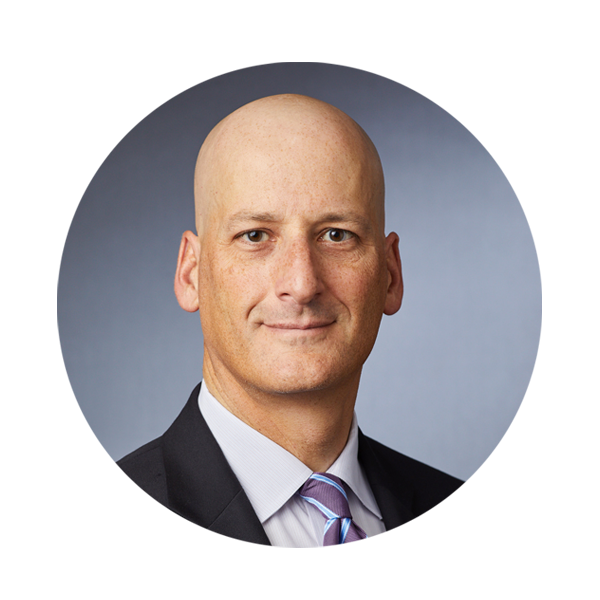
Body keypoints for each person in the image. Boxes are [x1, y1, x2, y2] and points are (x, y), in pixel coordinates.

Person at [57, 94, 510, 548]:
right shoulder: (80, 545)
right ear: (191, 273)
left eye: (337, 235)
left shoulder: (468, 525)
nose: (302, 283)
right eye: (255, 235)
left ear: (390, 274)